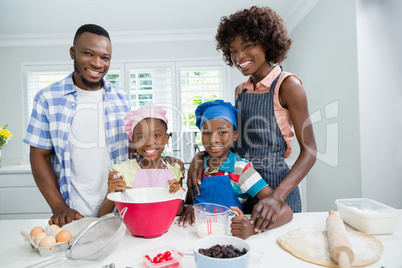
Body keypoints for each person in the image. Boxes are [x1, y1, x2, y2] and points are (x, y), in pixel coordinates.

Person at [187, 6, 317, 233]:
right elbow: (232, 139)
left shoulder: (288, 86)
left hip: (277, 194)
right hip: (243, 189)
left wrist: (276, 198)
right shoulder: (241, 90)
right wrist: (200, 156)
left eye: (247, 46)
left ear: (267, 43)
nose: (239, 57)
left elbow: (310, 151)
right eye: (233, 50)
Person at [23, 24, 130, 226]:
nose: (97, 63)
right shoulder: (47, 98)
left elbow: (131, 149)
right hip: (73, 213)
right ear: (73, 53)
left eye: (105, 57)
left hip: (119, 209)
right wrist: (59, 207)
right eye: (88, 54)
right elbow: (39, 155)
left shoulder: (121, 97)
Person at [177, 100, 293, 239]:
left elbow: (286, 211)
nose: (213, 139)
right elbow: (192, 197)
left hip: (230, 237)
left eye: (222, 132)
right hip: (196, 235)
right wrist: (189, 205)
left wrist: (252, 229)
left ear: (235, 135)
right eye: (207, 132)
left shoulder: (241, 170)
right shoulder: (199, 166)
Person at [98, 104, 185, 217]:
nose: (149, 143)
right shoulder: (122, 171)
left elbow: (178, 212)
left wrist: (176, 194)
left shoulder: (175, 170)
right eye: (141, 137)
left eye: (156, 135)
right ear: (133, 140)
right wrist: (111, 193)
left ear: (166, 138)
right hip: (132, 230)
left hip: (165, 230)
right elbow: (102, 215)